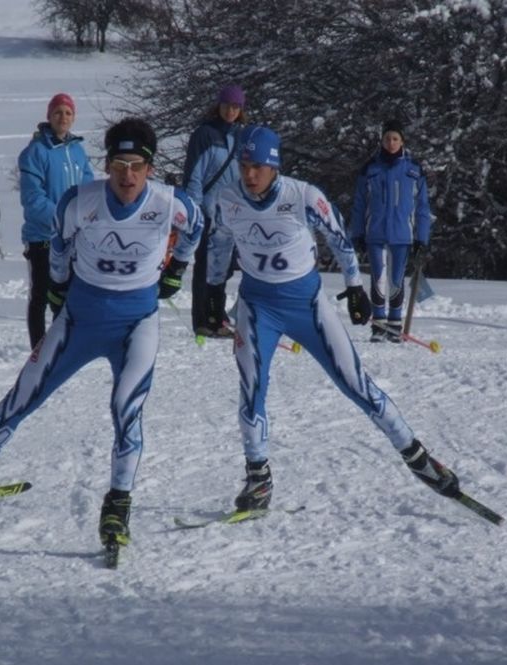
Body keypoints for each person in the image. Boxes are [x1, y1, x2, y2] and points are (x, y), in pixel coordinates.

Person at [0, 117, 203, 555]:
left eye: (137, 166)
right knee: (23, 393)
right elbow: (60, 245)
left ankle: (118, 503)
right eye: (119, 164)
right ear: (106, 165)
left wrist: (176, 272)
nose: (127, 176)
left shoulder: (169, 203)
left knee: (126, 411)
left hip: (136, 324)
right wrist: (58, 284)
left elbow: (196, 229)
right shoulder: (80, 200)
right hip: (81, 320)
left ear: (150, 168)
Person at [205, 125, 459, 512]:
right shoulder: (228, 199)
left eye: (257, 166)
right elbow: (220, 243)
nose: (250, 174)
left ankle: (416, 454)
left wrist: (355, 288)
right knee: (251, 388)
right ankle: (258, 478)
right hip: (257, 307)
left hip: (306, 305)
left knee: (355, 383)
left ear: (274, 166)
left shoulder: (302, 195)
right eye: (244, 165)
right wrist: (212, 291)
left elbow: (339, 238)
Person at [18, 92, 95, 349]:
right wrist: (63, 220)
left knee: (67, 294)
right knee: (41, 294)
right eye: (58, 112)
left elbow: (88, 191)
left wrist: (87, 219)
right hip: (43, 236)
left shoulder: (78, 151)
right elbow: (33, 199)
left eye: (68, 113)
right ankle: (38, 348)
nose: (63, 117)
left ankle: (63, 344)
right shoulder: (35, 152)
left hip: (74, 238)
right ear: (49, 116)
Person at [350, 119, 432, 343]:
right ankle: (378, 324)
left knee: (396, 280)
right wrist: (356, 233)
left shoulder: (414, 169)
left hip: (402, 235)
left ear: (402, 141)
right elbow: (359, 204)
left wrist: (422, 238)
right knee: (378, 279)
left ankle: (395, 325)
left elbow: (423, 207)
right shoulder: (370, 168)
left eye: (395, 138)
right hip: (375, 233)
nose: (391, 143)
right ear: (382, 140)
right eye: (387, 138)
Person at [182, 84, 246, 338]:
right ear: (218, 105)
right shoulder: (205, 135)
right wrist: (195, 209)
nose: (231, 111)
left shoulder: (240, 136)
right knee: (205, 266)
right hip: (207, 210)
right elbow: (194, 173)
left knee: (223, 268)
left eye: (236, 107)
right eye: (228, 105)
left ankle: (216, 316)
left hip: (230, 214)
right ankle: (202, 319)